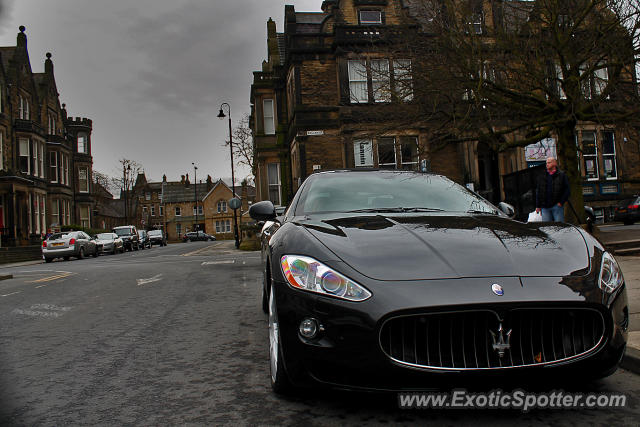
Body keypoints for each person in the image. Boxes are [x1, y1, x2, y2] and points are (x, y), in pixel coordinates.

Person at [535, 157, 570, 222]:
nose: (547, 164)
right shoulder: (542, 176)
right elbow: (539, 191)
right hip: (544, 207)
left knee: (558, 228)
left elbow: (567, 190)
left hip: (557, 206)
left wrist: (561, 202)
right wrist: (538, 206)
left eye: (549, 162)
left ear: (554, 163)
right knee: (547, 229)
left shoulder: (561, 175)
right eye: (546, 163)